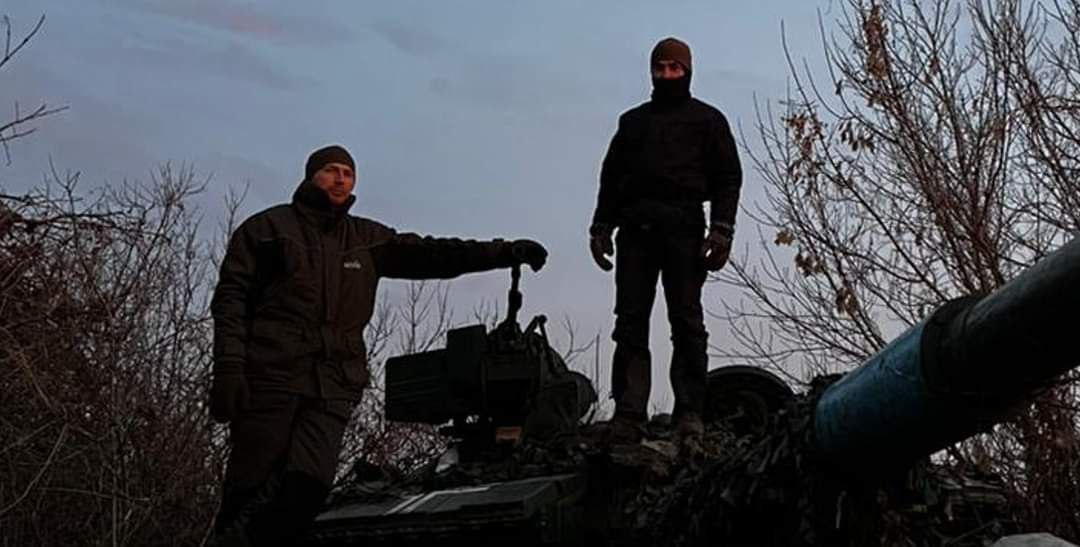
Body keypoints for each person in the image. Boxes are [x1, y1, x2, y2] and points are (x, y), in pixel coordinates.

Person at [208, 144, 547, 546]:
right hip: (272, 375)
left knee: (307, 486)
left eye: (348, 173)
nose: (340, 179)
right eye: (331, 171)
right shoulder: (267, 229)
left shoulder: (366, 239)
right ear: (312, 175)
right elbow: (231, 301)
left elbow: (434, 254)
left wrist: (503, 252)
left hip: (334, 382)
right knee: (250, 486)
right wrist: (229, 367)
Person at [589, 37, 743, 446]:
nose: (667, 74)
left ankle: (689, 412)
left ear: (687, 71)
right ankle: (629, 412)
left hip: (684, 229)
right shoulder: (633, 123)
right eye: (661, 68)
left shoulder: (707, 120)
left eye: (675, 68)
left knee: (687, 321)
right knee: (630, 322)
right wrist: (601, 226)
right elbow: (612, 178)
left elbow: (728, 177)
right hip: (636, 231)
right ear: (652, 71)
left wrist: (722, 230)